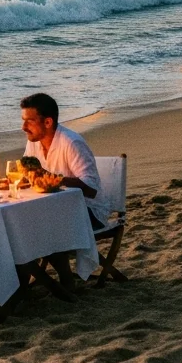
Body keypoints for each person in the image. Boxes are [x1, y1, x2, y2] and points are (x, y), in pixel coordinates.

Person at [21, 92, 109, 290]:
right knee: (22, 223)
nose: (23, 127)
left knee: (45, 224)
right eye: (23, 121)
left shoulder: (71, 143)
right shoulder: (32, 143)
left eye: (29, 121)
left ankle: (64, 279)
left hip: (89, 211)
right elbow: (27, 175)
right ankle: (21, 283)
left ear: (48, 122)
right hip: (50, 207)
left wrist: (53, 179)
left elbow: (91, 189)